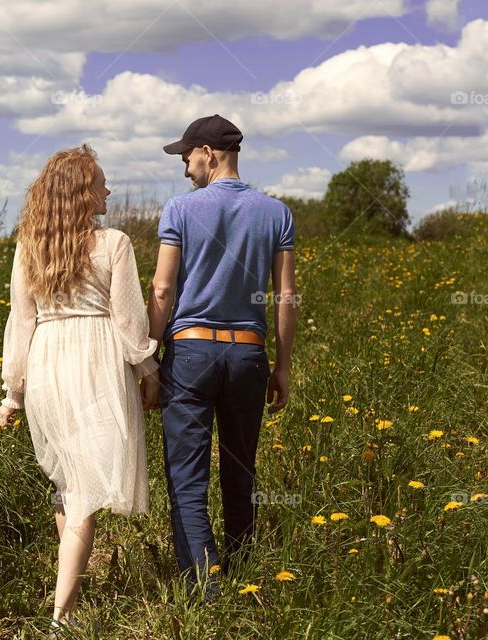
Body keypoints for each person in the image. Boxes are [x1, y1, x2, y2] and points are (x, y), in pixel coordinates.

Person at [0, 144, 160, 629]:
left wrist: (14, 392)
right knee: (85, 490)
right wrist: (151, 375)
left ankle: (73, 586)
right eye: (101, 183)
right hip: (96, 363)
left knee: (70, 484)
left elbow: (20, 324)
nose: (108, 189)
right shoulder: (114, 243)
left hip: (47, 363)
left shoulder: (30, 245)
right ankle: (60, 617)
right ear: (82, 193)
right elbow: (130, 322)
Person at [141, 114, 297, 595]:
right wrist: (283, 365)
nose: (185, 170)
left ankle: (205, 589)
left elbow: (163, 289)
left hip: (189, 355)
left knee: (187, 479)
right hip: (248, 356)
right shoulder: (276, 213)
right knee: (241, 472)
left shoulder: (181, 210)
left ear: (209, 153)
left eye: (187, 159)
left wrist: (148, 356)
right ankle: (244, 577)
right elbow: (285, 297)